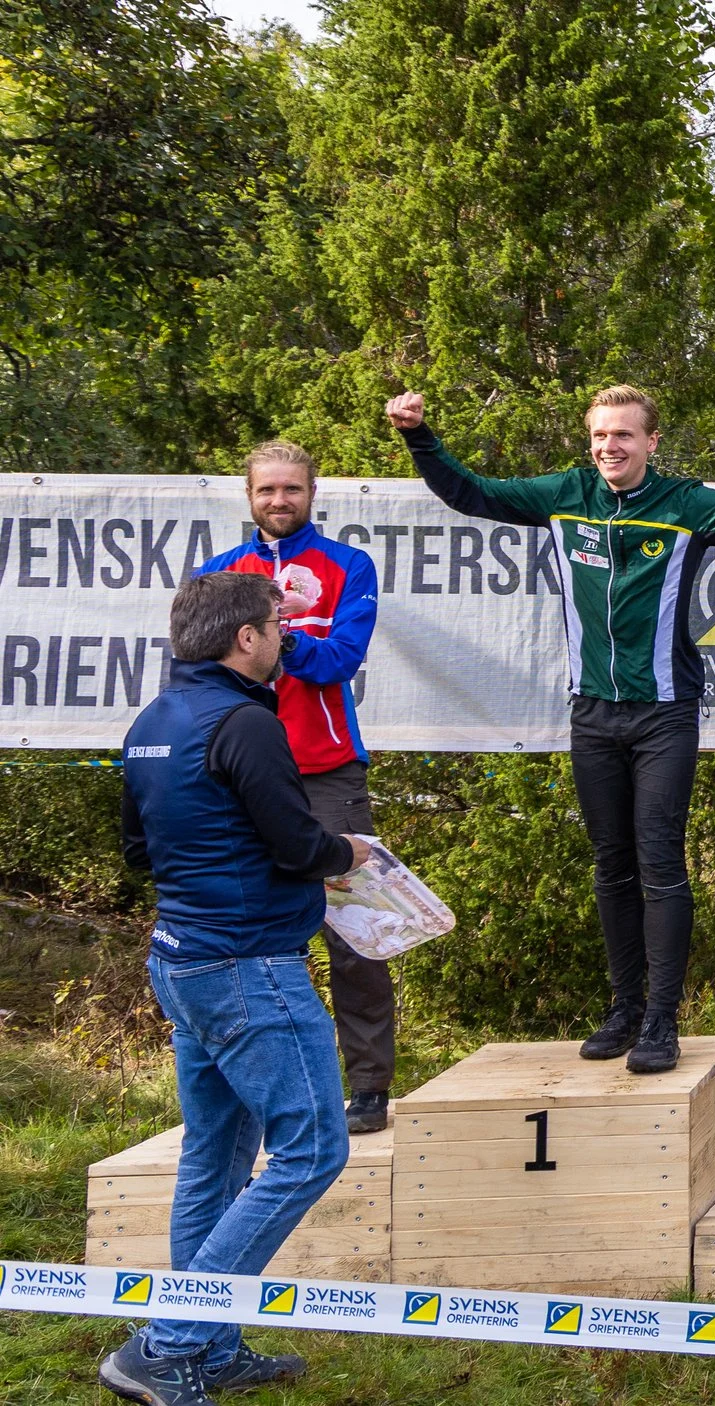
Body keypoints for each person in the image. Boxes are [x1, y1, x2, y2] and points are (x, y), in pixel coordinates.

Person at [387, 387, 715, 1075]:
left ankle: (663, 1023)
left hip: (665, 711)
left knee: (659, 862)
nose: (610, 447)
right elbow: (469, 494)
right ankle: (624, 1010)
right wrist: (418, 436)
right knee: (612, 866)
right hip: (592, 713)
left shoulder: (685, 503)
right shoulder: (566, 493)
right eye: (601, 436)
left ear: (652, 442)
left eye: (625, 436)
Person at [103, 572, 372, 1406]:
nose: (284, 640)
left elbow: (140, 853)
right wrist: (350, 855)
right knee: (314, 1150)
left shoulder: (153, 721)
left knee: (215, 1158)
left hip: (181, 960)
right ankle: (168, 1343)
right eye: (275, 629)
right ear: (244, 639)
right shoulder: (246, 721)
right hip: (249, 969)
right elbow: (297, 846)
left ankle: (207, 1349)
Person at [197, 441, 396, 1136]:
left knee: (354, 932)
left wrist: (275, 640)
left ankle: (369, 1085)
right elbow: (199, 667)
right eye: (266, 491)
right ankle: (257, 1087)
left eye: (291, 490)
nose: (278, 501)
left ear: (313, 493)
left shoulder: (348, 565)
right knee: (246, 930)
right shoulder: (219, 573)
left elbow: (342, 657)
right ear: (248, 497)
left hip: (327, 769)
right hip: (237, 774)